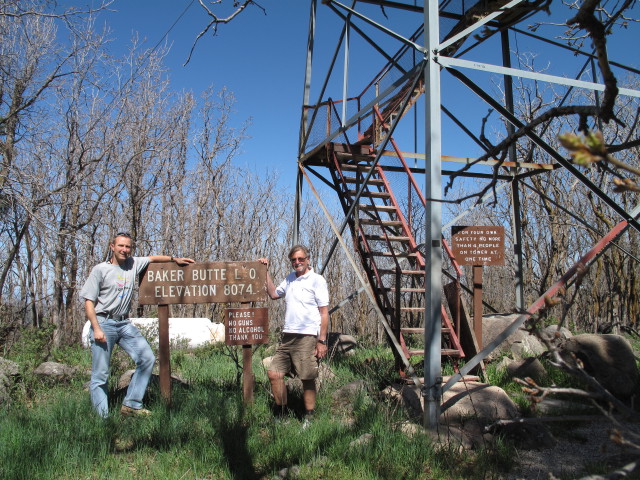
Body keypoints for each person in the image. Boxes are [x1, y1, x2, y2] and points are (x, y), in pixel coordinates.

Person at [79, 232, 195, 418]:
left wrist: (175, 259)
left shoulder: (133, 264)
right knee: (100, 374)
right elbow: (88, 302)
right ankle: (102, 419)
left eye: (128, 247)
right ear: (112, 246)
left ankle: (131, 404)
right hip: (103, 322)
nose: (124, 250)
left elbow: (153, 258)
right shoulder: (100, 270)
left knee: (147, 358)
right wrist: (97, 328)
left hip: (124, 323)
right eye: (121, 246)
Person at [259, 245, 329, 425]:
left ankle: (309, 417)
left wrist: (321, 340)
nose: (297, 262)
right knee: (274, 373)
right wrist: (264, 271)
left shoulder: (317, 280)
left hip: (307, 336)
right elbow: (274, 294)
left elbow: (324, 312)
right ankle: (282, 415)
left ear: (308, 259)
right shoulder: (290, 279)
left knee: (307, 377)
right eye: (293, 260)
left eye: (300, 259)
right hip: (287, 336)